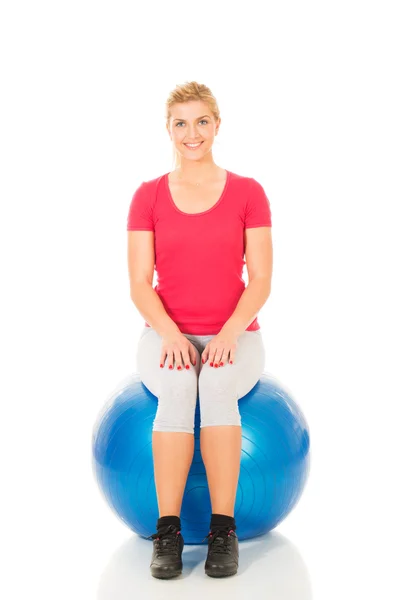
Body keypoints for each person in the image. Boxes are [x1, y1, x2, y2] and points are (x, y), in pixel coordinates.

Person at [126, 81, 273, 579]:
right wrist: (169, 334)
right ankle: (166, 532)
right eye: (181, 123)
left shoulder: (249, 193)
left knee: (214, 387)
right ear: (168, 129)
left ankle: (223, 530)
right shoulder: (147, 196)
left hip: (238, 336)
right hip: (166, 336)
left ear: (217, 124)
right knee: (174, 391)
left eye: (202, 121)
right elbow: (140, 284)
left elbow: (261, 279)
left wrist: (230, 333)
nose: (193, 133)